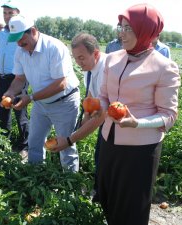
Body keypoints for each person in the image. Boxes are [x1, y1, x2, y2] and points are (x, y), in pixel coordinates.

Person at [52, 3, 180, 225]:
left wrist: (136, 123)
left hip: (141, 150)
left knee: (130, 206)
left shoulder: (164, 67)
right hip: (109, 140)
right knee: (109, 196)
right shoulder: (113, 59)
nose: (122, 33)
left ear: (145, 30)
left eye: (128, 28)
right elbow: (104, 96)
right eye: (120, 26)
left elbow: (169, 115)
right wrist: (95, 106)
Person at [3, 15, 80, 172]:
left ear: (33, 31)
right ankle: (36, 177)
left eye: (22, 40)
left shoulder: (54, 47)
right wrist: (10, 93)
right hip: (41, 102)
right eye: (16, 41)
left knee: (65, 145)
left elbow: (61, 83)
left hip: (64, 102)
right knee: (35, 142)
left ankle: (70, 186)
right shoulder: (21, 51)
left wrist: (30, 98)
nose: (20, 44)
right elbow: (19, 78)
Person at [0, 0, 29, 154]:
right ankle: (4, 142)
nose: (7, 16)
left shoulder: (22, 33)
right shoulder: (1, 34)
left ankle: (25, 146)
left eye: (10, 13)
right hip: (2, 76)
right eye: (5, 13)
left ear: (18, 13)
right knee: (3, 109)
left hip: (17, 76)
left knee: (20, 111)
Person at [71, 32, 107, 200]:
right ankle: (99, 193)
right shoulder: (89, 69)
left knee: (107, 159)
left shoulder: (108, 69)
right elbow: (91, 99)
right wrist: (84, 121)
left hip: (117, 122)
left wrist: (73, 138)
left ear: (96, 53)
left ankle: (104, 197)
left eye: (81, 58)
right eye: (76, 59)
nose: (78, 63)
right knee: (100, 156)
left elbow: (102, 114)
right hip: (105, 121)